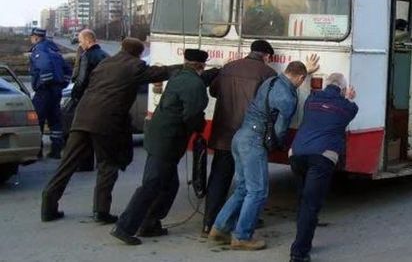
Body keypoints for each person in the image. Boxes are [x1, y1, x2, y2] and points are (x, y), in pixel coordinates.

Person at [41, 38, 179, 224]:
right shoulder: (135, 65)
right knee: (108, 165)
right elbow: (160, 72)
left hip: (82, 117)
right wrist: (186, 67)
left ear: (122, 48)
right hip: (106, 122)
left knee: (67, 164)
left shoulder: (105, 63)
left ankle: (48, 206)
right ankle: (101, 211)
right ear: (138, 54)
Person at [208, 59, 316, 251]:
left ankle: (219, 228)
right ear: (301, 78)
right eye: (302, 80)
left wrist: (306, 71)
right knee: (257, 191)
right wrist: (278, 145)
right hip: (254, 143)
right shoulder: (288, 98)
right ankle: (242, 236)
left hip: (240, 137)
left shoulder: (270, 81)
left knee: (243, 188)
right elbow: (280, 129)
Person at [111, 49, 213, 245]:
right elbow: (192, 114)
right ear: (201, 65)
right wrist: (199, 127)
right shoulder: (195, 84)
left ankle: (150, 223)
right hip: (168, 141)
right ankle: (124, 227)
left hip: (158, 136)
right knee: (152, 184)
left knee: (169, 185)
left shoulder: (179, 76)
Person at [202, 40, 278, 237]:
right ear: (266, 56)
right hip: (249, 134)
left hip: (224, 133)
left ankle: (209, 223)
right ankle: (243, 222)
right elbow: (272, 104)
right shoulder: (268, 73)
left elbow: (214, 91)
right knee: (249, 183)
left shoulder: (228, 67)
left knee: (219, 178)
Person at [288, 73, 358, 262]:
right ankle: (299, 253)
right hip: (322, 156)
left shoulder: (311, 100)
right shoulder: (347, 106)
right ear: (343, 89)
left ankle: (303, 236)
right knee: (311, 204)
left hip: (297, 153)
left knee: (303, 200)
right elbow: (348, 113)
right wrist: (348, 98)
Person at [62, 29, 109, 172]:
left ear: (88, 40)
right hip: (103, 98)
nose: (80, 44)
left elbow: (81, 81)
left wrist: (75, 96)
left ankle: (85, 164)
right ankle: (103, 163)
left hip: (88, 99)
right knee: (99, 133)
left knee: (84, 132)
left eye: (81, 41)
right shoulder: (105, 55)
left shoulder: (87, 56)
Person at [29, 28, 71, 159]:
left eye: (32, 37)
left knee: (37, 119)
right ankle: (56, 150)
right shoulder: (54, 50)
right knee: (55, 120)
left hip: (44, 91)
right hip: (56, 91)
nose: (31, 39)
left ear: (36, 37)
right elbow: (67, 69)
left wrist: (45, 84)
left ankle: (38, 151)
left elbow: (45, 65)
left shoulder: (39, 49)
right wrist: (62, 84)